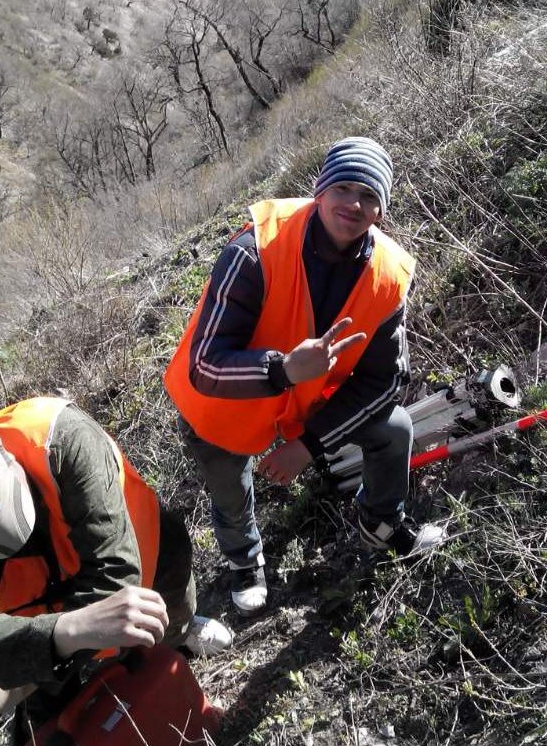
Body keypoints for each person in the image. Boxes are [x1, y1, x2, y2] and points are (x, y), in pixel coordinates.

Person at [165, 135, 421, 616]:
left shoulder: (388, 276)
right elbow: (205, 365)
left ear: (380, 212)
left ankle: (380, 524)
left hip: (307, 405)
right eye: (343, 188)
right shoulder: (255, 250)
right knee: (229, 486)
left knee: (394, 428)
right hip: (225, 398)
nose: (354, 204)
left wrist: (309, 444)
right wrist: (283, 370)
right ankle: (244, 559)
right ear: (320, 191)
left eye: (369, 196)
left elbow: (385, 382)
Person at [0, 395, 231, 735]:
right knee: (57, 722)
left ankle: (176, 638)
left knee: (170, 559)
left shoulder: (59, 438)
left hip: (141, 566)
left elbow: (116, 574)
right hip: (40, 623)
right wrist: (63, 634)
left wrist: (18, 682)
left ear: (2, 454)